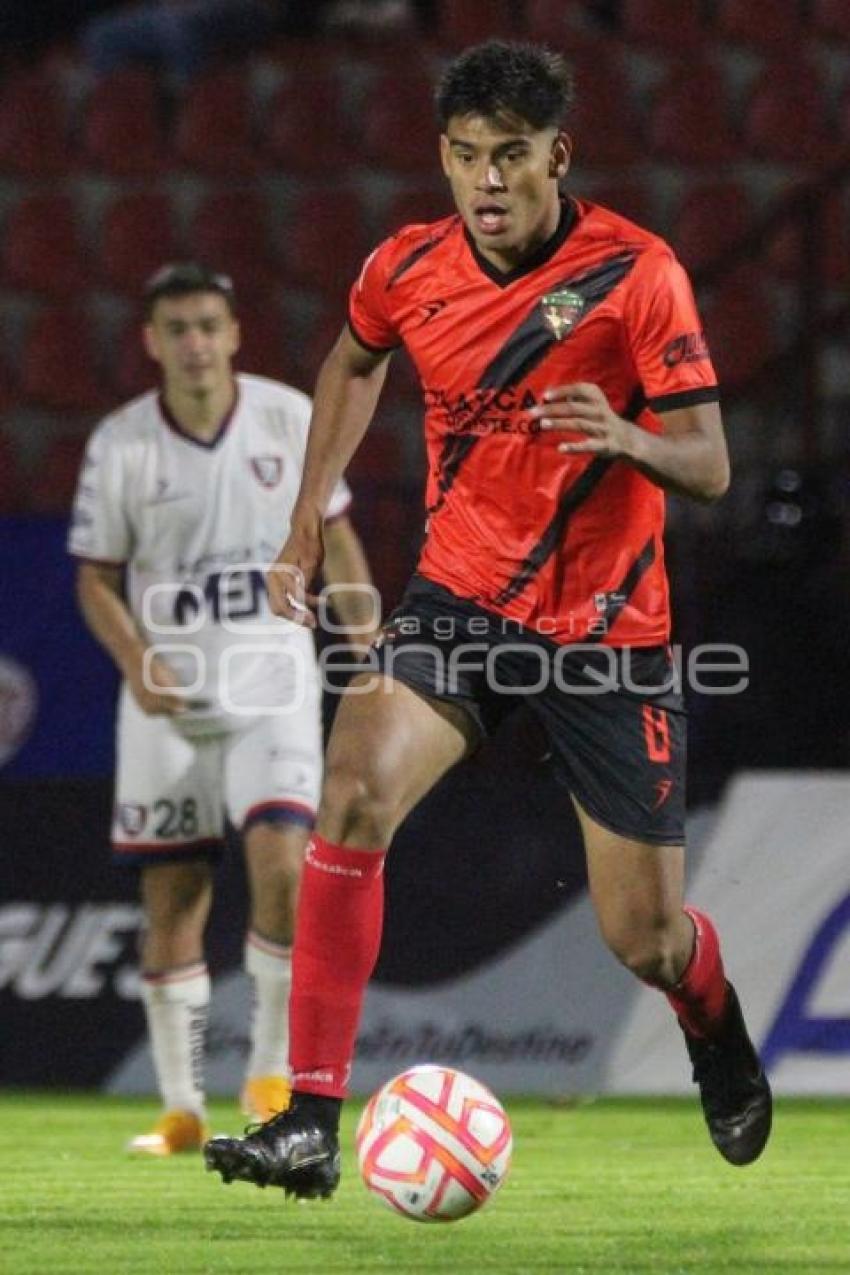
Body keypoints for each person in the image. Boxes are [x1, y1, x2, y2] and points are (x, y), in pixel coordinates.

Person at [204, 40, 772, 1198]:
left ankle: (712, 1022)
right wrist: (308, 511)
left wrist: (628, 439)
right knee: (352, 782)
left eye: (510, 156)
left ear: (555, 154)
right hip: (460, 599)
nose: (488, 182)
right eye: (465, 158)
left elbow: (710, 463)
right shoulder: (406, 265)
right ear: (444, 162)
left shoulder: (636, 273)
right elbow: (352, 364)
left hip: (607, 631)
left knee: (645, 940)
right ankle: (309, 1117)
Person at [68, 262, 375, 1156]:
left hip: (270, 689)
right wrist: (135, 660)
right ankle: (179, 1110)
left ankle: (270, 1077)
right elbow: (94, 577)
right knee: (175, 900)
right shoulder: (122, 444)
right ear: (152, 341)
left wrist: (369, 640)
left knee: (283, 870)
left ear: (235, 333)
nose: (196, 342)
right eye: (178, 328)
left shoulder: (286, 417)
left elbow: (339, 535)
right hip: (167, 702)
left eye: (210, 324)